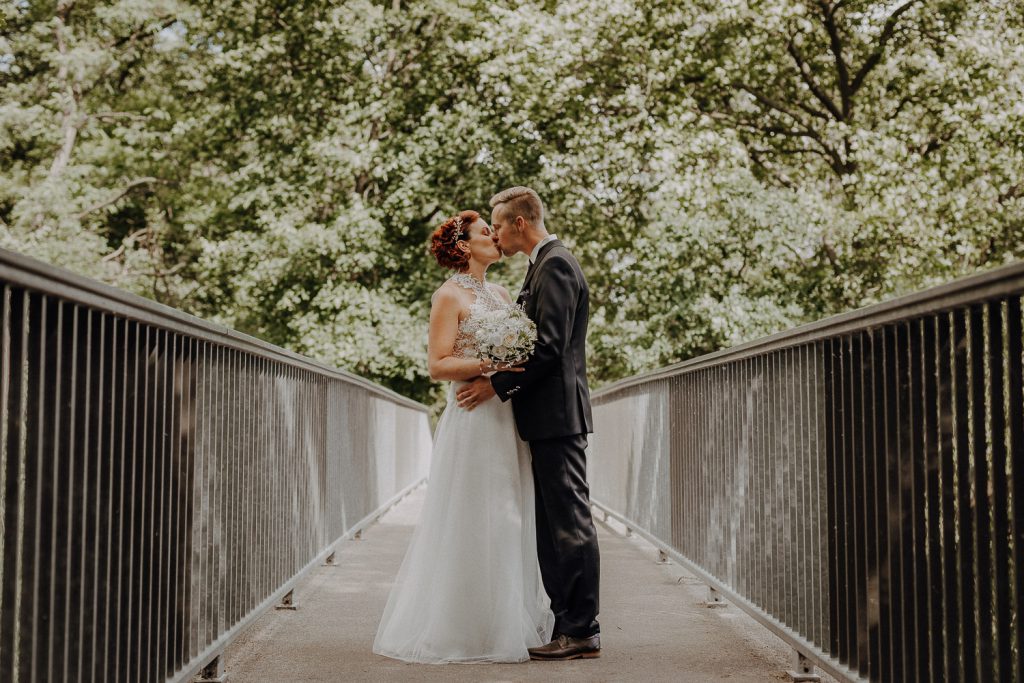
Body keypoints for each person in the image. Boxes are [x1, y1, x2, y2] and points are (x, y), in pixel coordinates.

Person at [372, 210, 554, 663]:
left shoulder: (501, 292)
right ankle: (461, 627)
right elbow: (438, 365)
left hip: (504, 417)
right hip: (472, 418)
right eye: (484, 233)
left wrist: (505, 369)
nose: (494, 237)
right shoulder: (448, 295)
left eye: (493, 231)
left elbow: (521, 352)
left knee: (509, 511)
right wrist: (490, 364)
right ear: (464, 246)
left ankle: (505, 620)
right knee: (472, 514)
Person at [456, 187, 601, 660]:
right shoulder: (542, 265)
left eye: (498, 224)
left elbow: (551, 347)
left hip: (558, 416)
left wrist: (496, 386)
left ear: (519, 222)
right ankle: (568, 624)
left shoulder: (556, 264)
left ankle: (581, 630)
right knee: (553, 524)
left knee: (569, 525)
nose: (495, 234)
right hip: (546, 418)